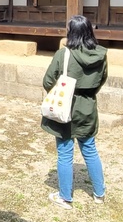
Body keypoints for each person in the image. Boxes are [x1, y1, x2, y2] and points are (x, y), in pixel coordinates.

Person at [42, 15, 107, 210]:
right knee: (90, 150)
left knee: (64, 152)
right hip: (88, 106)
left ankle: (65, 197)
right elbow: (102, 79)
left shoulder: (64, 54)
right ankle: (99, 193)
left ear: (71, 33)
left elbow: (47, 81)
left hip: (66, 106)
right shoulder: (101, 54)